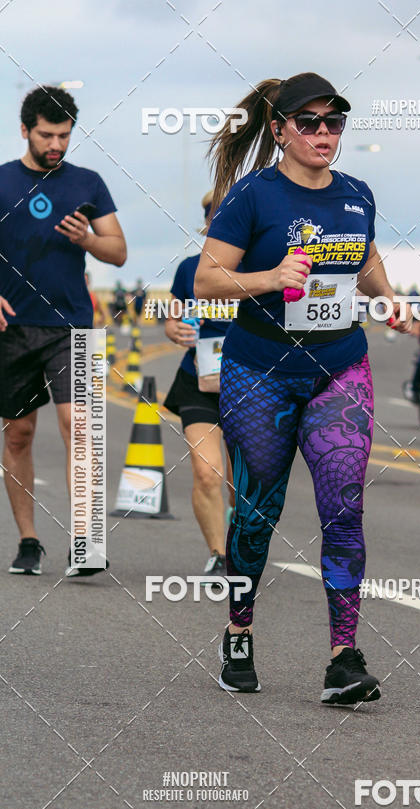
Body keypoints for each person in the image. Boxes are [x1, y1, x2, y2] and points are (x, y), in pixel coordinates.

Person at [195, 72, 412, 704]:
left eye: (334, 122)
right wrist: (270, 276)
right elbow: (208, 280)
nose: (324, 133)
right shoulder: (252, 196)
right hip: (259, 370)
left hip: (339, 365)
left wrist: (388, 297)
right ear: (280, 130)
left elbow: (364, 258)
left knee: (344, 507)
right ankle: (239, 634)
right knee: (257, 511)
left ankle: (344, 658)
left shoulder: (356, 194)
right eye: (310, 122)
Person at [0, 85, 127, 576]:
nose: (56, 144)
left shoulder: (87, 184)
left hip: (74, 326)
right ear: (25, 131)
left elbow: (118, 252)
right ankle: (28, 541)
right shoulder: (3, 181)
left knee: (80, 426)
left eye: (64, 135)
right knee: (18, 435)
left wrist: (89, 239)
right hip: (12, 329)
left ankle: (85, 542)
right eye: (46, 135)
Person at [164, 190, 235, 579]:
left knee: (244, 485)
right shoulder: (189, 269)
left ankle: (242, 547)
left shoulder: (262, 268)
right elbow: (173, 319)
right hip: (198, 382)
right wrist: (174, 329)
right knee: (207, 471)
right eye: (214, 220)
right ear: (206, 224)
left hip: (253, 388)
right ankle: (218, 554)